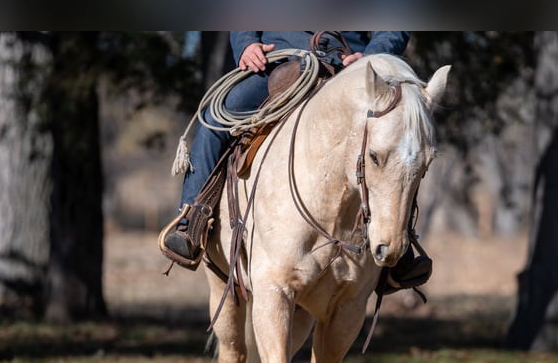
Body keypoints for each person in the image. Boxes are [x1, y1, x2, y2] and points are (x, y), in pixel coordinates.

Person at [162, 32, 411, 263]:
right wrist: (247, 44)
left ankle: (400, 243)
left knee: (400, 133)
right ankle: (192, 219)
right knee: (218, 117)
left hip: (352, 66)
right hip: (278, 62)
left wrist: (374, 54)